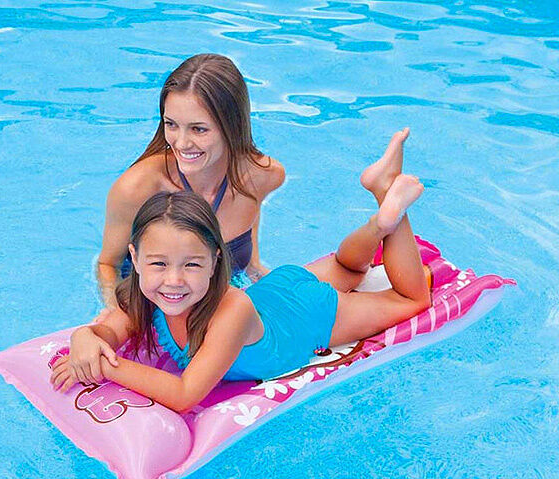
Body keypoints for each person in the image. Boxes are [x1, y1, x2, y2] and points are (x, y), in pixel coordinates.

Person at [52, 165, 431, 413]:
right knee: (348, 267)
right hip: (275, 289)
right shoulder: (143, 294)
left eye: (192, 265)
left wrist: (105, 365)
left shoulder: (230, 311)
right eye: (158, 264)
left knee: (412, 299)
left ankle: (391, 215)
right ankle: (377, 216)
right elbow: (107, 331)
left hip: (307, 318)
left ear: (215, 260)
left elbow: (184, 394)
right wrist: (86, 338)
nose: (173, 280)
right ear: (134, 259)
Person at [97, 53, 285, 308]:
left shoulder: (262, 176)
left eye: (198, 129)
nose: (182, 143)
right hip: (153, 305)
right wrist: (118, 312)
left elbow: (249, 246)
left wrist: (258, 274)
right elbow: (108, 265)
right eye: (171, 124)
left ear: (232, 126)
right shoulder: (138, 189)